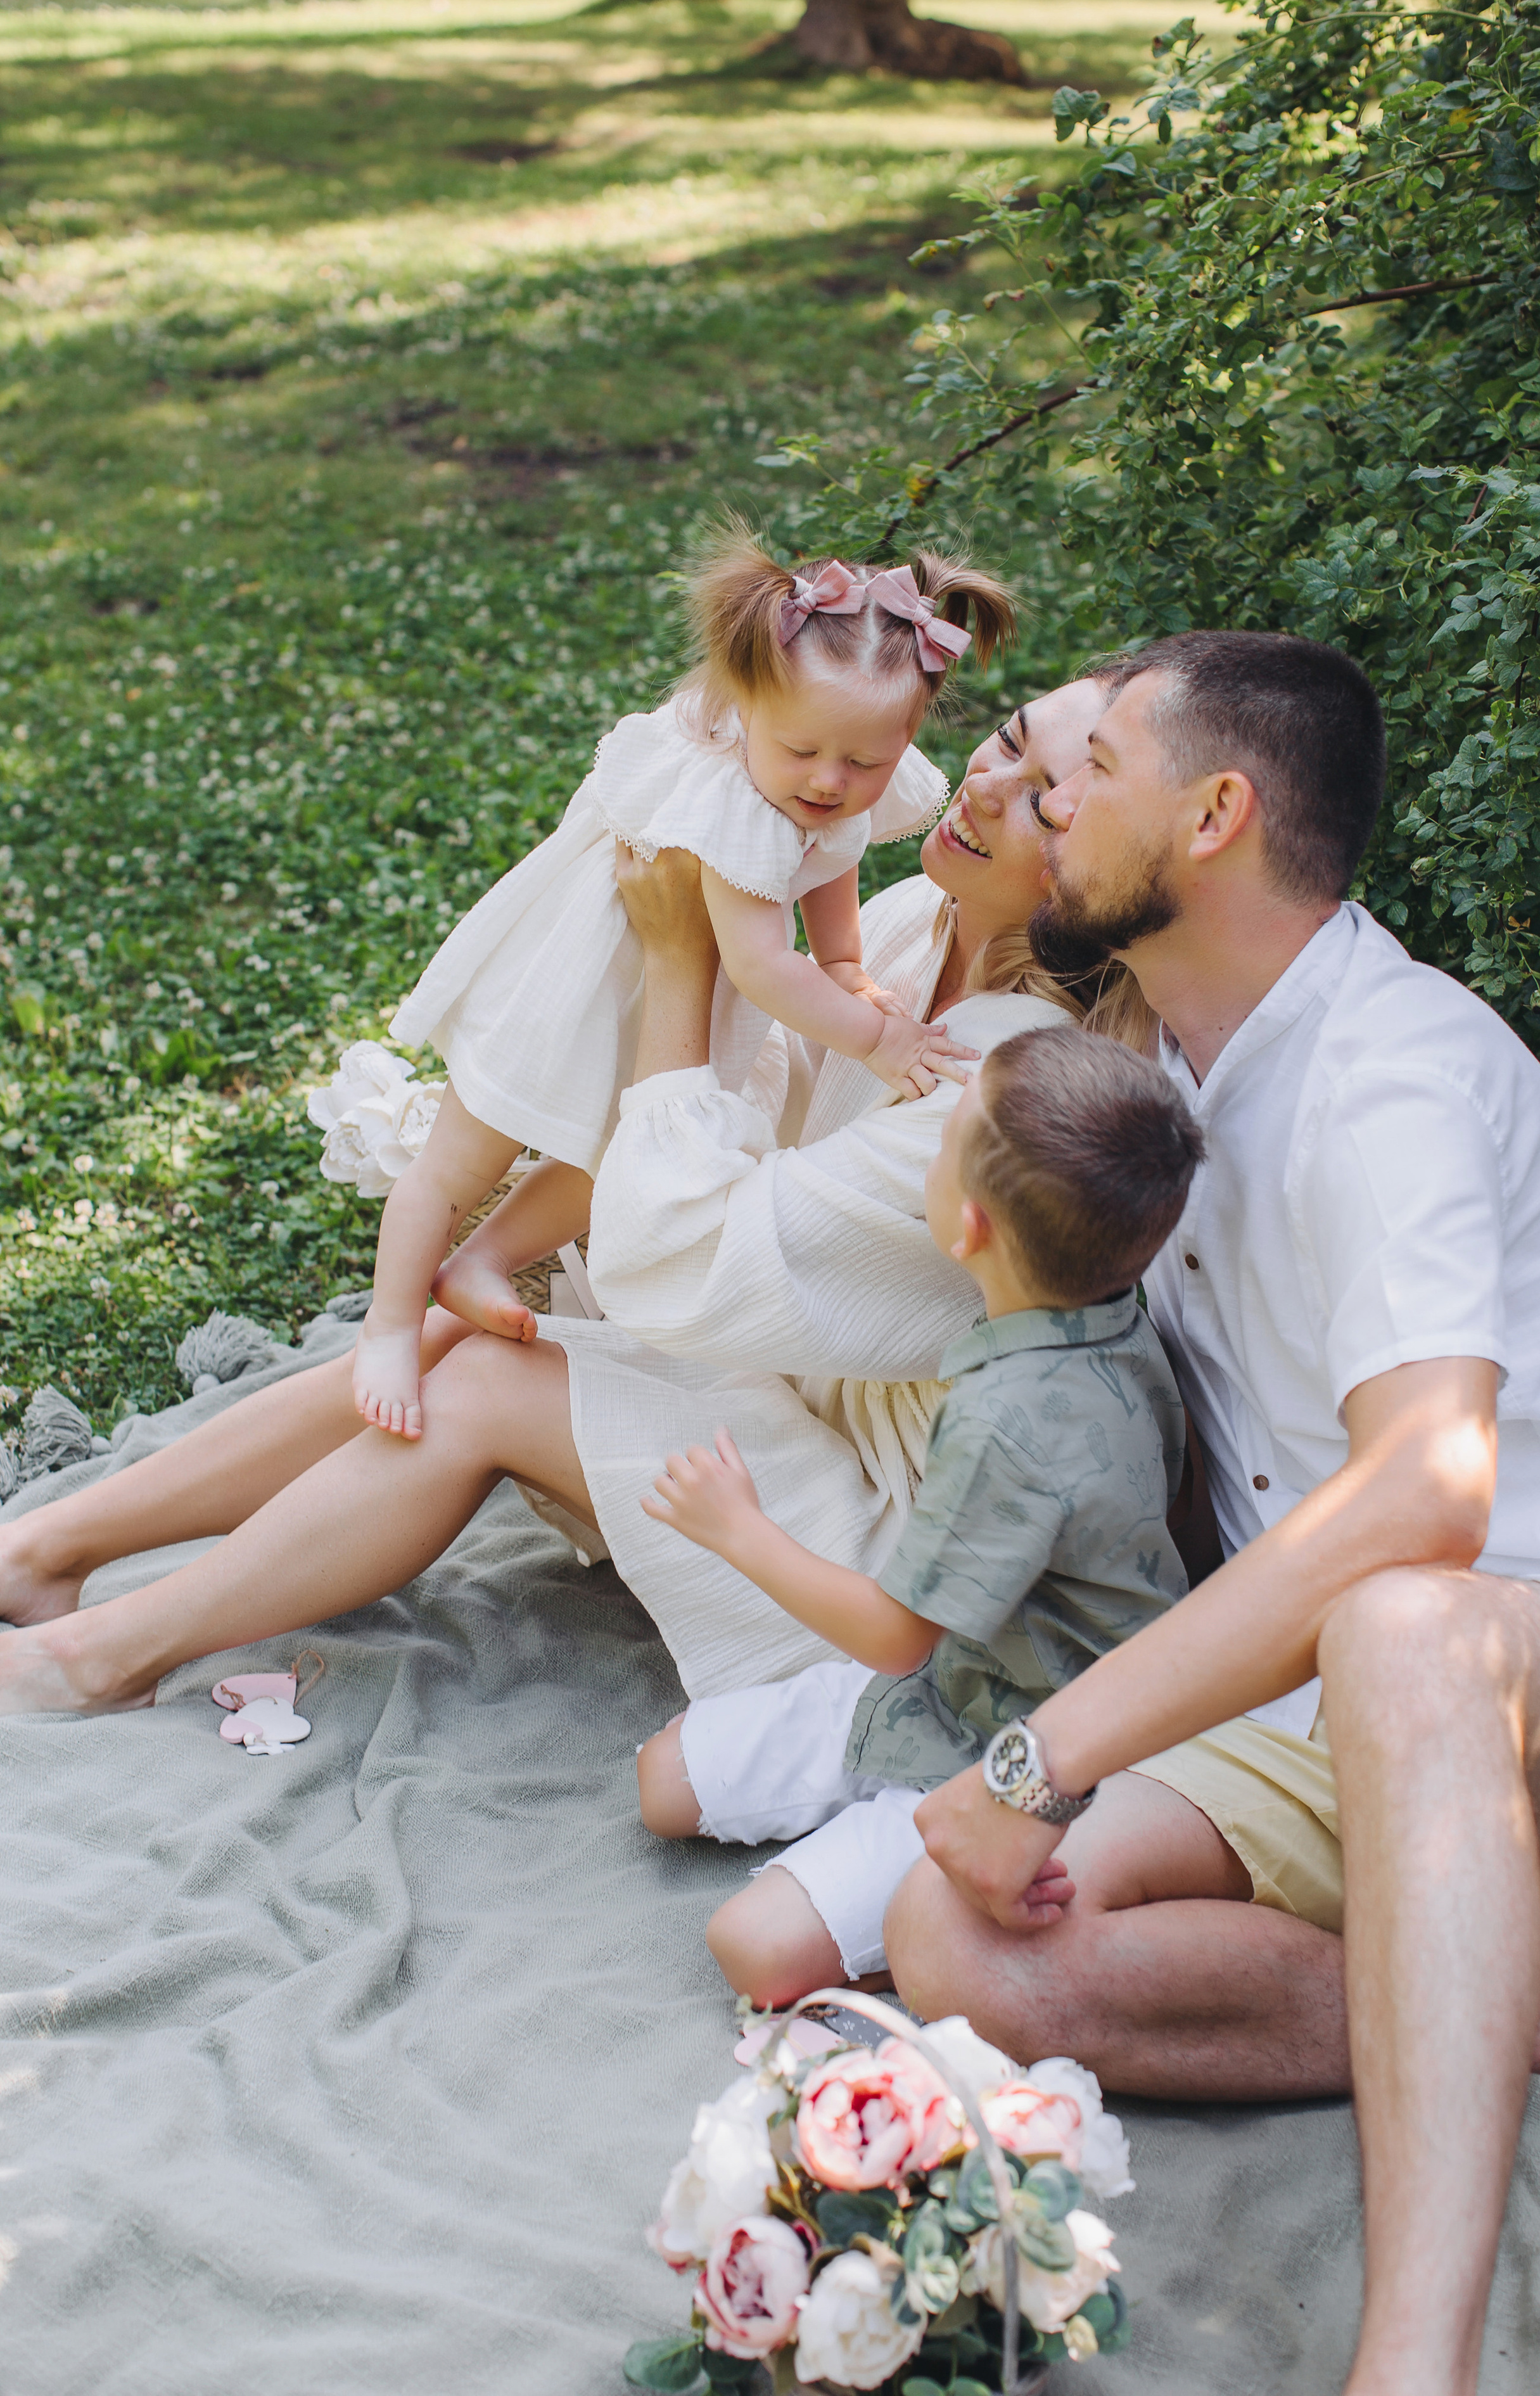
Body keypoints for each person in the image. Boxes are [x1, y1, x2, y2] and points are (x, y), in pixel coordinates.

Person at [883, 630, 1540, 2396]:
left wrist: (1037, 1756)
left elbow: (1430, 1495)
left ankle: (1409, 2365)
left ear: (1215, 816)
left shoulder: (1386, 1080)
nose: (1051, 792)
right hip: (1322, 1716)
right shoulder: (1164, 1054)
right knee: (962, 1938)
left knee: (1404, 1613)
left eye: (1096, 771)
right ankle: (1538, 2008)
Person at [0, 684, 1147, 1721]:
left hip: (867, 1537)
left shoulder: (1008, 1081)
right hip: (773, 1369)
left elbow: (688, 1257)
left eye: (1046, 805)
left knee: (489, 1381)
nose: (988, 787)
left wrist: (683, 961)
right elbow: (747, 1098)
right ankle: (44, 1549)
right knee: (456, 1322)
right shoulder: (913, 929)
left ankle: (104, 1658)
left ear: (1100, 871)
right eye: (1006, 741)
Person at [350, 532, 1012, 1441]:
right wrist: (879, 1039)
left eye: (864, 763)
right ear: (747, 707)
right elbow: (753, 963)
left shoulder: (834, 774)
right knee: (467, 1156)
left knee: (617, 1161)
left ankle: (482, 1263)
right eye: (804, 752)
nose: (829, 781)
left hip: (667, 990)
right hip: (578, 982)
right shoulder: (735, 805)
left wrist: (845, 965)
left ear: (905, 737)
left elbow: (831, 865)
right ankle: (387, 1327)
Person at [634, 1021, 1203, 2008]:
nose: (926, 1146)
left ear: (968, 1225)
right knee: (663, 1782)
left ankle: (939, 1906)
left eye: (942, 1139)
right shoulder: (1107, 1311)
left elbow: (898, 1636)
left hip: (1026, 1748)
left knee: (752, 1949)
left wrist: (740, 1530)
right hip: (967, 1680)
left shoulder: (1006, 1420)